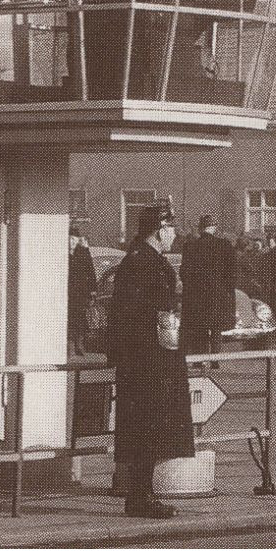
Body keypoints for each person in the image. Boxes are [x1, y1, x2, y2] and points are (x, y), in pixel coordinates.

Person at [106, 208, 194, 519]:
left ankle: (143, 494)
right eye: (171, 230)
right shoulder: (141, 262)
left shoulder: (147, 260)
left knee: (152, 428)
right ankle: (139, 497)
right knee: (145, 428)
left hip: (156, 358)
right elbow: (131, 314)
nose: (174, 236)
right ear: (159, 230)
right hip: (146, 361)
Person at [180, 215, 236, 361]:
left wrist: (191, 288)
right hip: (218, 293)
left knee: (200, 328)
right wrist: (227, 291)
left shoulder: (190, 246)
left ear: (200, 228)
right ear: (214, 228)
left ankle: (200, 360)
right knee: (216, 326)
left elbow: (184, 273)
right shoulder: (224, 245)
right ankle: (215, 358)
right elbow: (231, 273)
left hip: (197, 295)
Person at [67, 224, 97, 356]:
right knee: (69, 319)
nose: (71, 242)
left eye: (74, 239)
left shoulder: (83, 253)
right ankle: (70, 346)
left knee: (80, 318)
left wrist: (92, 290)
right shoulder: (63, 254)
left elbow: (91, 272)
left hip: (80, 293)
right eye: (69, 239)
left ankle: (79, 344)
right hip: (68, 293)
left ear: (77, 240)